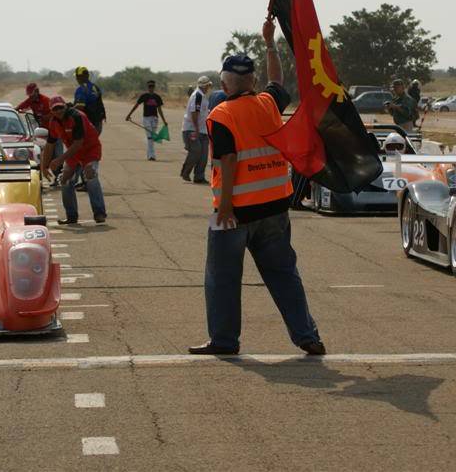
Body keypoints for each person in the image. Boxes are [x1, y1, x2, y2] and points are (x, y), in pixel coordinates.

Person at [189, 18, 324, 357]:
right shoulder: (268, 103)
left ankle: (224, 340)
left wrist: (224, 209)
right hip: (276, 207)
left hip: (234, 211)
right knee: (284, 275)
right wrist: (270, 43)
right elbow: (277, 79)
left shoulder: (221, 114)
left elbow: (229, 161)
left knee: (222, 279)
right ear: (252, 80)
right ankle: (307, 336)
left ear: (224, 81)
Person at [42, 96, 106, 224]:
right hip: (73, 153)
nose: (59, 110)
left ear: (65, 106)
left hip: (89, 149)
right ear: (51, 111)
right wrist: (44, 166)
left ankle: (99, 213)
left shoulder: (77, 117)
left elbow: (78, 143)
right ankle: (71, 216)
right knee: (65, 180)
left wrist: (59, 160)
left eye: (61, 107)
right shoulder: (54, 122)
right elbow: (50, 145)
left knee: (90, 174)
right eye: (55, 109)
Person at [125, 80, 167, 161]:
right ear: (147, 87)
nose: (151, 88)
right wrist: (129, 115)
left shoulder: (157, 97)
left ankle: (149, 155)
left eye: (152, 86)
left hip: (155, 118)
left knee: (152, 137)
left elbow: (160, 110)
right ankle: (152, 155)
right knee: (150, 136)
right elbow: (136, 106)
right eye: (149, 86)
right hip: (146, 118)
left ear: (154, 87)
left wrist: (164, 120)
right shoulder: (144, 96)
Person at [180, 76, 212, 183]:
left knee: (203, 155)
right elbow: (194, 113)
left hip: (203, 130)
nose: (209, 87)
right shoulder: (197, 96)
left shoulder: (202, 96)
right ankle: (185, 172)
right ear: (206, 85)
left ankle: (199, 176)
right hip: (192, 129)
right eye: (208, 85)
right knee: (196, 151)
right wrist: (197, 129)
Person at [73, 66, 107, 134]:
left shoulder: (81, 89)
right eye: (77, 76)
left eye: (79, 76)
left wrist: (68, 110)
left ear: (86, 76)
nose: (77, 78)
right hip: (98, 123)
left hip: (87, 124)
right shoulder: (95, 87)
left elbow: (80, 107)